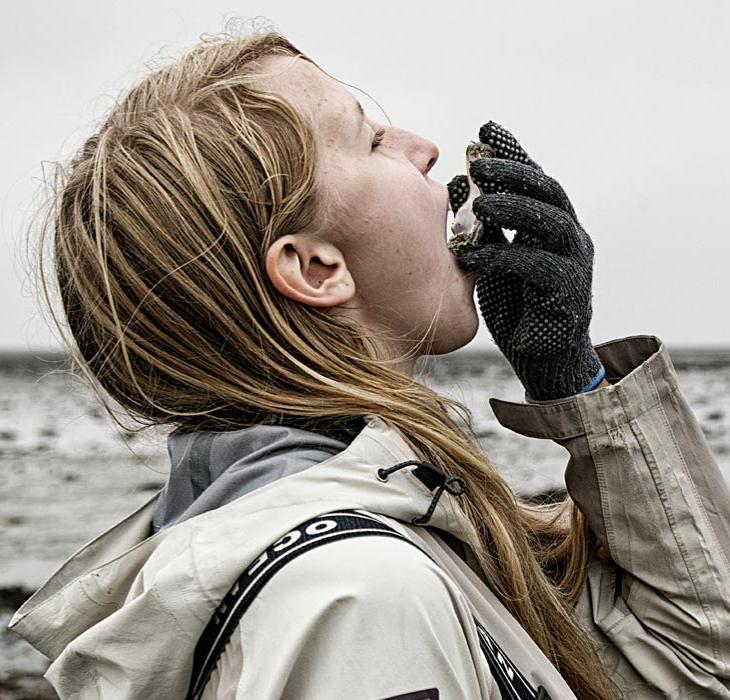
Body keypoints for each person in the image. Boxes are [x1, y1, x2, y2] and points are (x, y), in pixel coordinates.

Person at [9, 23, 730, 700]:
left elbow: (684, 668)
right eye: (374, 140)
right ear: (316, 268)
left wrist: (576, 383)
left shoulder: (384, 532)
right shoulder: (353, 596)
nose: (423, 148)